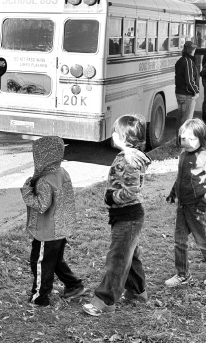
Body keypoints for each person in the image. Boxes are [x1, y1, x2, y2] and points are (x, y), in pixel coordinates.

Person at [81, 115, 151, 317]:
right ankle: (138, 291)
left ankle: (104, 301)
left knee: (118, 259)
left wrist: (112, 197)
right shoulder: (128, 154)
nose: (111, 135)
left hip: (128, 215)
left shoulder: (129, 159)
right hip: (126, 215)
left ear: (124, 137)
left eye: (114, 132)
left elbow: (132, 190)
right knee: (130, 255)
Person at [20, 136, 88, 307]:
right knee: (55, 260)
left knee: (40, 262)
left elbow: (41, 206)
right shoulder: (62, 172)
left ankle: (40, 297)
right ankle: (74, 285)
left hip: (47, 231)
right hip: (61, 227)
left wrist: (27, 192)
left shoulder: (44, 180)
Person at [164, 118, 206, 288]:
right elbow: (180, 178)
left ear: (201, 137)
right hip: (182, 206)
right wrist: (173, 192)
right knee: (179, 241)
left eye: (192, 139)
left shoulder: (204, 157)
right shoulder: (183, 155)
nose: (187, 142)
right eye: (183, 138)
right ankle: (182, 274)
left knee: (202, 241)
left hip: (196, 207)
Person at [174, 41, 200, 146]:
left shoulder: (180, 60)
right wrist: (196, 91)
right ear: (192, 50)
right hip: (187, 94)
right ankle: (183, 142)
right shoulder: (188, 61)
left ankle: (178, 140)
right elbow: (189, 80)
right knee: (186, 121)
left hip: (179, 93)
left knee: (180, 119)